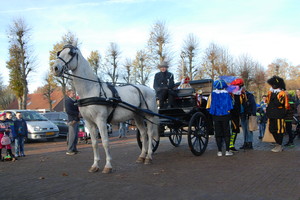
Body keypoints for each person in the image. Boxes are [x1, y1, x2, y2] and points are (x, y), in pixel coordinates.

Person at [207, 79, 233, 157]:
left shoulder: (212, 94)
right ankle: (227, 151)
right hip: (226, 115)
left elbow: (208, 106)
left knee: (218, 133)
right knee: (227, 133)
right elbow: (231, 105)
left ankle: (219, 151)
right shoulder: (227, 94)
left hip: (216, 116)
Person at [266, 75, 289, 152]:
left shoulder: (282, 93)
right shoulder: (270, 93)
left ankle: (279, 145)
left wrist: (274, 95)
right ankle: (277, 143)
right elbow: (268, 102)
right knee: (272, 129)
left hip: (279, 114)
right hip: (271, 114)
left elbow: (279, 103)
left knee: (279, 130)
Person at [229, 78, 247, 152]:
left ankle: (231, 145)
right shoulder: (229, 94)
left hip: (236, 114)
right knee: (231, 129)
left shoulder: (241, 94)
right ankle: (229, 145)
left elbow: (244, 103)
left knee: (235, 129)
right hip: (229, 114)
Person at [65, 89, 80, 155]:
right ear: (69, 94)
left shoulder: (75, 101)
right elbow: (68, 111)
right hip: (72, 120)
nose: (74, 94)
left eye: (74, 93)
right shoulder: (67, 101)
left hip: (76, 120)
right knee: (72, 136)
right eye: (73, 93)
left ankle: (74, 148)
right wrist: (77, 114)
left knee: (76, 136)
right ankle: (69, 150)